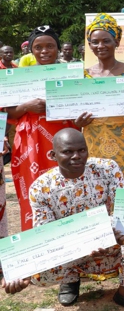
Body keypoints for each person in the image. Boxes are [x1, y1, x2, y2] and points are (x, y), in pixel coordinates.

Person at [2, 129, 124, 311]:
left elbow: (123, 210)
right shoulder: (40, 188)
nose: (76, 156)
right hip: (70, 252)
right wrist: (22, 273)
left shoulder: (107, 169)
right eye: (68, 152)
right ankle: (70, 279)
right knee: (41, 266)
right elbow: (45, 235)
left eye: (82, 150)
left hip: (109, 242)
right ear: (53, 155)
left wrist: (103, 235)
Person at [5, 26, 86, 230]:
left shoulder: (72, 75)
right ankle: (36, 238)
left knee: (66, 187)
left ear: (58, 49)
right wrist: (27, 106)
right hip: (30, 142)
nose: (44, 51)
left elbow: (78, 111)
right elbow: (9, 112)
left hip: (63, 138)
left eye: (50, 46)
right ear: (30, 50)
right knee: (32, 187)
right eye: (38, 47)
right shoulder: (19, 77)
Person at [80, 14, 124, 190]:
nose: (100, 46)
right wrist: (78, 122)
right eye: (95, 42)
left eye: (106, 41)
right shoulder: (82, 76)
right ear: (89, 45)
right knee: (96, 190)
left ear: (117, 42)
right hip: (92, 142)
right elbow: (75, 111)